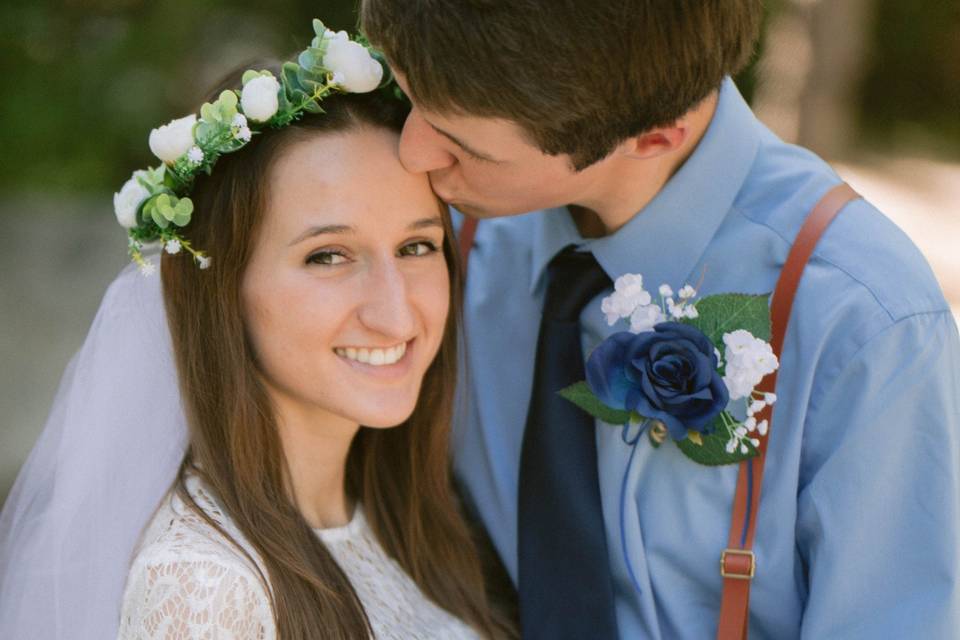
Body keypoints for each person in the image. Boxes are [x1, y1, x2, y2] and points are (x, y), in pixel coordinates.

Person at [359, 1, 960, 638]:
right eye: (407, 96)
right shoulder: (429, 229)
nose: (411, 151)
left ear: (655, 138)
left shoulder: (864, 323)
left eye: (462, 145)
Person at [0, 23, 516, 640]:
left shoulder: (415, 518)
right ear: (223, 288)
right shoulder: (207, 590)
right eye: (328, 256)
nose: (396, 313)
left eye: (416, 245)